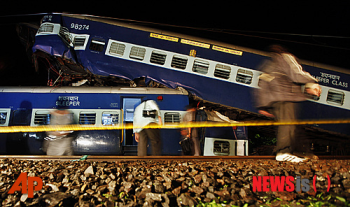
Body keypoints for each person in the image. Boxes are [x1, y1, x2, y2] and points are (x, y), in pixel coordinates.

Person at [255, 45, 321, 162]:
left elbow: (263, 85)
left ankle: (302, 151)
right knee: (288, 126)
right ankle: (283, 152)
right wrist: (312, 81)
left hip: (275, 100)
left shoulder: (269, 64)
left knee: (292, 126)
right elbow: (296, 74)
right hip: (286, 97)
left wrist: (263, 105)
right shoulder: (286, 58)